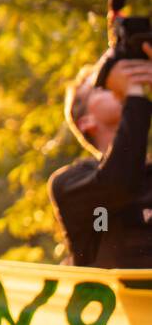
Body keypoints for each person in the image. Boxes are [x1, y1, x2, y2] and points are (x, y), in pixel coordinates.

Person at [51, 42, 152, 268]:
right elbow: (119, 182)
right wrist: (133, 94)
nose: (117, 85)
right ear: (86, 122)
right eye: (101, 85)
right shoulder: (70, 184)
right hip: (118, 304)